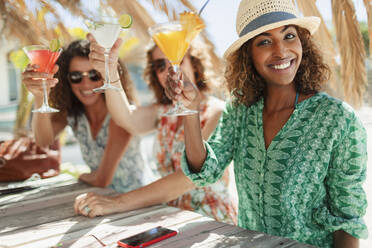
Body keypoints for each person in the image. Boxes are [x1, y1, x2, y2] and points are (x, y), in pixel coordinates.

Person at [165, 0, 368, 247]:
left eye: (289, 36)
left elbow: (347, 220)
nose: (281, 51)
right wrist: (190, 110)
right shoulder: (240, 110)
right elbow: (205, 171)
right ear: (248, 53)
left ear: (302, 42)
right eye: (264, 41)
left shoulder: (338, 120)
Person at [74, 34, 237, 224]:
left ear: (194, 63)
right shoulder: (162, 112)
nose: (169, 70)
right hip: (170, 218)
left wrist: (116, 202)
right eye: (160, 65)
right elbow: (125, 118)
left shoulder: (217, 111)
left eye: (176, 59)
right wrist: (109, 71)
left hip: (212, 222)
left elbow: (188, 178)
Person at [22, 40, 149, 194]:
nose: (86, 84)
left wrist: (80, 176)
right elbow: (43, 141)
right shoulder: (75, 113)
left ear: (106, 75)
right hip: (101, 202)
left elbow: (102, 180)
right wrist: (39, 97)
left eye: (94, 75)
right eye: (76, 76)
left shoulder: (121, 115)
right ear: (66, 80)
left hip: (139, 202)